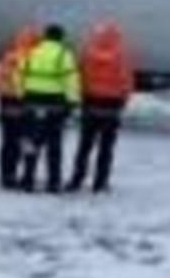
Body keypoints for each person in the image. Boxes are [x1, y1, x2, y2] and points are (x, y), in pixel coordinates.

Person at [66, 20, 135, 193]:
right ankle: (100, 182)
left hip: (90, 104)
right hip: (111, 107)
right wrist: (123, 100)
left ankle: (77, 179)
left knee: (85, 146)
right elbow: (126, 81)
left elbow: (79, 75)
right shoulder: (121, 55)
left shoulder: (88, 53)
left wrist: (81, 97)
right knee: (106, 148)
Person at [18, 23, 81, 192]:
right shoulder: (63, 54)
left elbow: (20, 73)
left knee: (31, 142)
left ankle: (27, 179)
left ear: (45, 37)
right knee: (54, 145)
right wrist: (73, 101)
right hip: (55, 104)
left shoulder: (32, 52)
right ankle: (53, 182)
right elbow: (71, 79)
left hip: (31, 101)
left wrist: (21, 94)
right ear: (61, 37)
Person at [0, 24, 42, 189]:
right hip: (27, 103)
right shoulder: (35, 58)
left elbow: (0, 79)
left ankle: (7, 175)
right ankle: (28, 176)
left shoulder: (9, 57)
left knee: (8, 142)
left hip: (7, 102)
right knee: (28, 141)